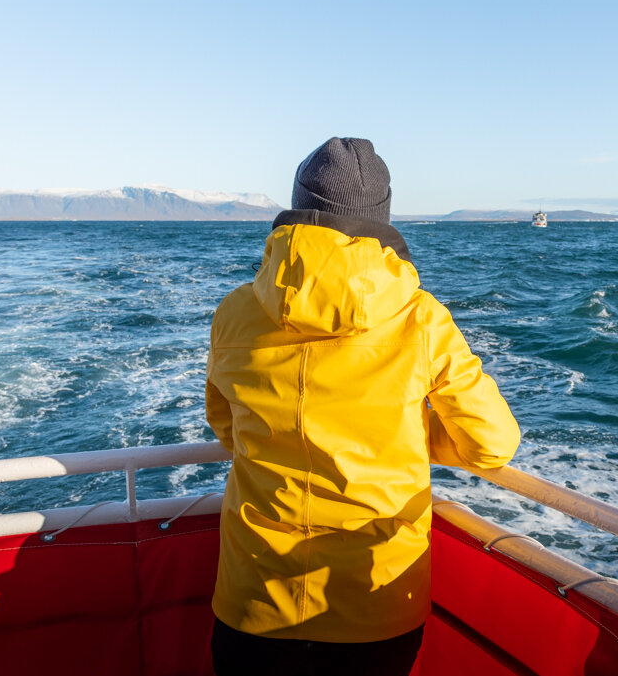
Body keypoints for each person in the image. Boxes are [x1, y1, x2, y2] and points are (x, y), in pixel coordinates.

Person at [205, 137, 521, 676]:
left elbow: (227, 430)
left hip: (250, 602)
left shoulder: (235, 311)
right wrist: (412, 439)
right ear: (380, 216)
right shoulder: (420, 318)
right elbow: (492, 446)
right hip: (374, 611)